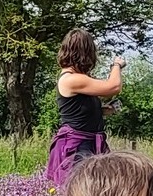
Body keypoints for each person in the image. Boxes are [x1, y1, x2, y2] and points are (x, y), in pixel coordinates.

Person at [46, 28, 123, 186]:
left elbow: (77, 111)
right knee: (82, 193)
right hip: (77, 146)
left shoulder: (79, 79)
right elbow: (113, 87)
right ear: (85, 53)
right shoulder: (71, 79)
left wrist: (101, 111)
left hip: (88, 143)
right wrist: (116, 65)